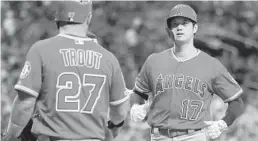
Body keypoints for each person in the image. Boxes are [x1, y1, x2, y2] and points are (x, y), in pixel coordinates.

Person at [2, 1, 130, 141]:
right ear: (89, 18)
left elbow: (25, 104)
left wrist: (10, 135)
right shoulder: (109, 59)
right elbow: (120, 111)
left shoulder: (41, 50)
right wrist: (115, 126)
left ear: (57, 18)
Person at [130, 4, 244, 141]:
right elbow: (138, 92)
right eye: (175, 24)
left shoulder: (211, 64)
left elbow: (236, 101)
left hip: (194, 136)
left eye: (185, 23)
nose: (179, 27)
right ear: (169, 30)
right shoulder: (154, 61)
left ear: (195, 28)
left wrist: (222, 124)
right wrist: (136, 106)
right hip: (159, 136)